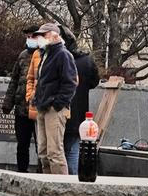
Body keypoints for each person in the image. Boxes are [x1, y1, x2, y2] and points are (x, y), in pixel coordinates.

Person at [31, 22, 77, 175]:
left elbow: (70, 83)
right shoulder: (46, 54)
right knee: (43, 152)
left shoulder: (63, 54)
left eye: (43, 35)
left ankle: (61, 184)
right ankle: (48, 182)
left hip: (53, 108)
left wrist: (57, 104)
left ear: (54, 35)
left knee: (54, 152)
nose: (40, 38)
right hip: (43, 106)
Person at [60, 25, 99, 175]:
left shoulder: (59, 58)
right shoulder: (87, 61)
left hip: (61, 110)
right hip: (79, 113)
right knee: (74, 149)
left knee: (60, 151)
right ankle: (75, 178)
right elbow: (94, 82)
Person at [2, 25, 40, 172]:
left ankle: (41, 172)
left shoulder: (44, 55)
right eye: (28, 37)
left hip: (37, 109)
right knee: (22, 143)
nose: (29, 39)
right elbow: (14, 80)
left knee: (41, 145)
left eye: (32, 36)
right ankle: (22, 170)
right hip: (21, 108)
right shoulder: (23, 55)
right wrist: (8, 103)